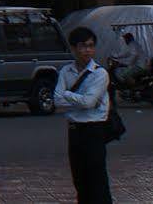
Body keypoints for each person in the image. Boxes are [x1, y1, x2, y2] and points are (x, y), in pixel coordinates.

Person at [54, 26, 114, 204]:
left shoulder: (100, 73)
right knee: (79, 179)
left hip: (94, 130)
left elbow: (89, 102)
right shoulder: (66, 71)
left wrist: (67, 95)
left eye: (90, 46)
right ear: (73, 48)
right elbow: (57, 101)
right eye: (83, 46)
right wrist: (77, 99)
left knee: (96, 179)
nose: (87, 50)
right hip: (74, 130)